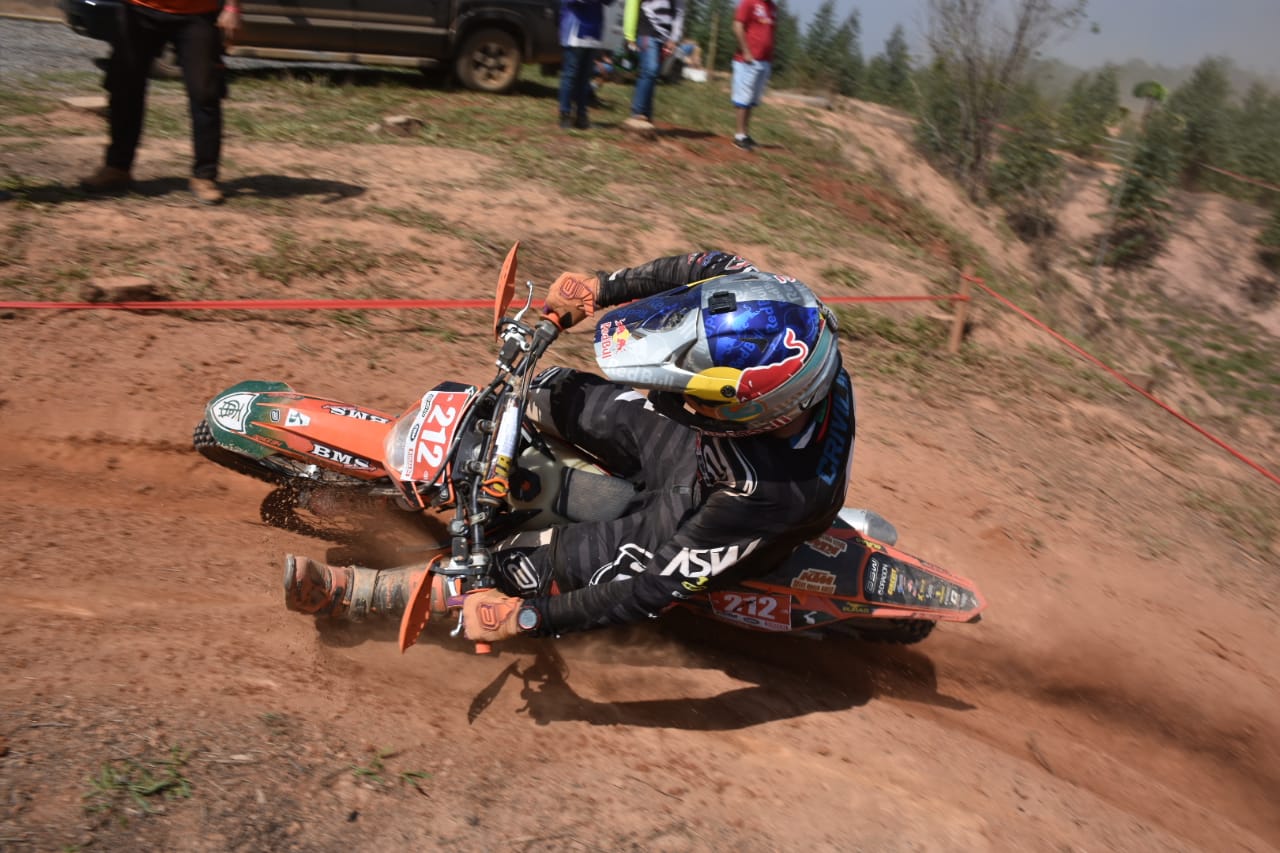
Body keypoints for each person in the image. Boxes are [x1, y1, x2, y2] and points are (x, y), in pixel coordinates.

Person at [284, 250, 857, 646]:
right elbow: (704, 268)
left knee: (516, 571)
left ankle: (361, 594)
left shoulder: (772, 494)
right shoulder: (783, 320)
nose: (678, 397)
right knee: (554, 390)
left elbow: (653, 590)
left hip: (695, 516)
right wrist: (601, 288)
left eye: (700, 399)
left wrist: (526, 618)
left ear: (753, 412)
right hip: (696, 452)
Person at [79, 0, 241, 204]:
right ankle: (117, 168)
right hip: (140, 10)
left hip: (198, 13)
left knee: (205, 93)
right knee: (124, 86)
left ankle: (204, 176)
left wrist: (232, 7)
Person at [621, 0, 685, 131]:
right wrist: (629, 35)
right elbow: (632, 3)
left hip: (664, 36)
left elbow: (679, 12)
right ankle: (637, 113)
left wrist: (674, 38)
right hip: (647, 28)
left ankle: (647, 117)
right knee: (650, 69)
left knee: (652, 74)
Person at [558, 0, 616, 130]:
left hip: (594, 31)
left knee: (585, 78)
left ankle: (581, 116)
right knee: (570, 75)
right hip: (575, 31)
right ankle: (565, 115)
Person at [730, 0, 776, 151]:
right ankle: (739, 136)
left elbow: (770, 32)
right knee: (743, 98)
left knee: (751, 99)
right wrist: (746, 51)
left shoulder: (772, 7)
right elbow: (737, 25)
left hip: (764, 60)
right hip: (748, 59)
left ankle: (745, 134)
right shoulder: (749, 2)